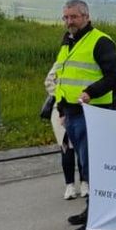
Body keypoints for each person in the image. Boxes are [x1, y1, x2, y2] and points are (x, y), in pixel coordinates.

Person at [54, 0, 116, 230]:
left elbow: (115, 76)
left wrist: (91, 91)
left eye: (73, 17)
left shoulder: (100, 41)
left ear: (86, 16)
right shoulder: (68, 40)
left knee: (94, 165)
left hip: (93, 112)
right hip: (72, 112)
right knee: (84, 165)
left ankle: (98, 215)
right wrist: (62, 108)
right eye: (66, 17)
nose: (69, 22)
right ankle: (91, 208)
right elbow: (64, 76)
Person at [44, 64, 80, 199]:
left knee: (82, 148)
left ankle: (84, 183)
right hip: (61, 109)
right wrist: (61, 94)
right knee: (66, 147)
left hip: (81, 107)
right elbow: (48, 81)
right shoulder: (61, 62)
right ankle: (69, 185)